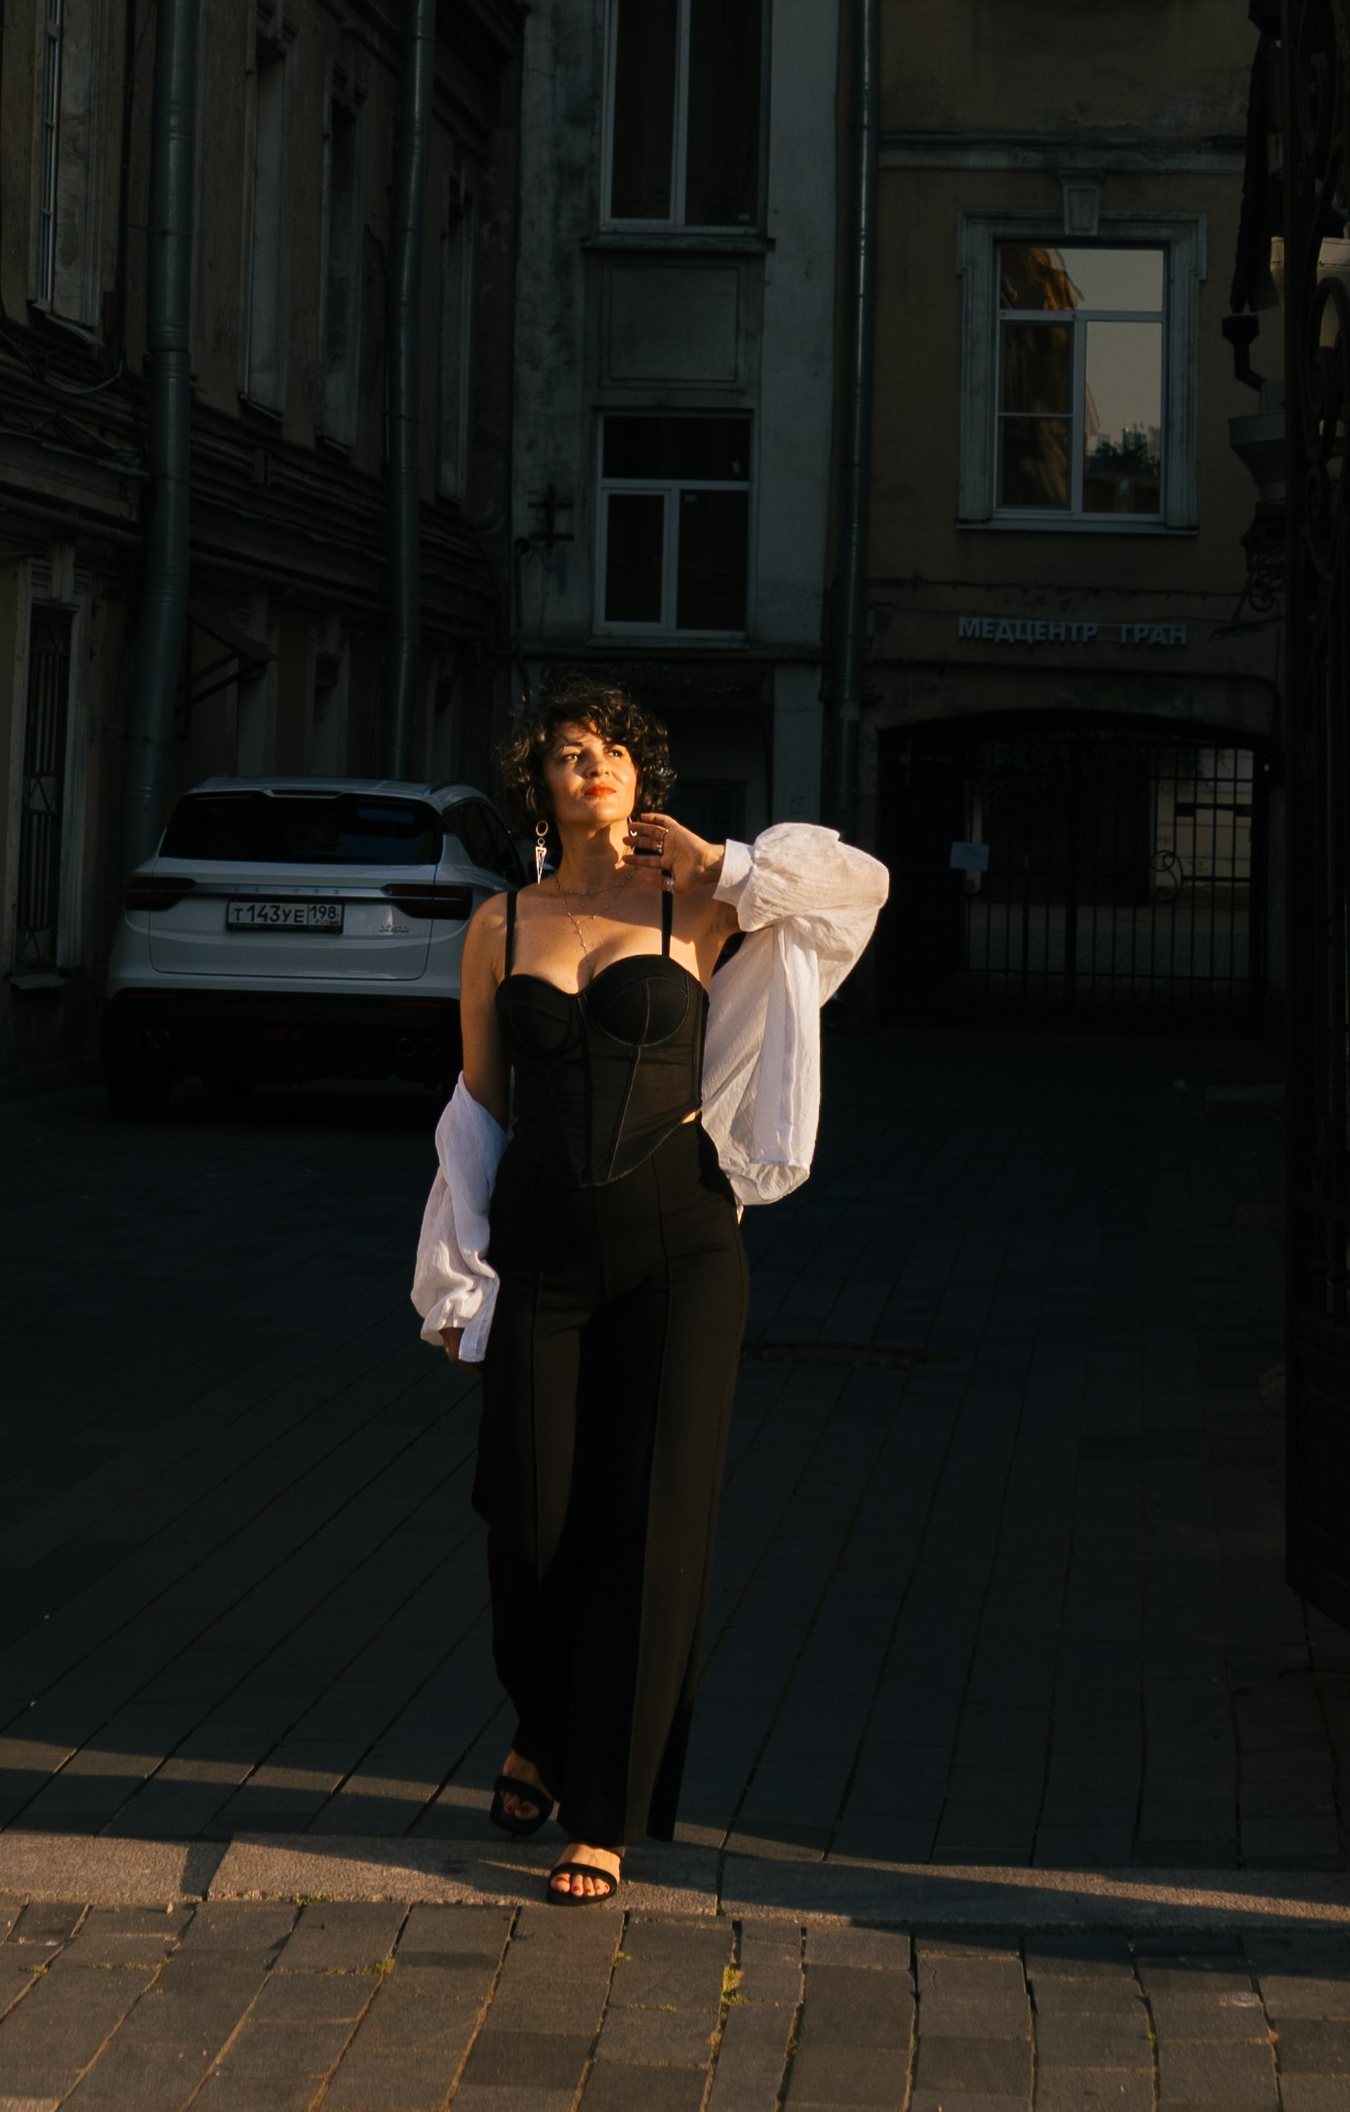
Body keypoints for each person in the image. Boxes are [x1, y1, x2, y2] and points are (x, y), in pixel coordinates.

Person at [411, 685, 888, 1906]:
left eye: (614, 750)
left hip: (682, 1248)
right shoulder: (498, 926)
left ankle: (601, 1812)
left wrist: (726, 858)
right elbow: (478, 1111)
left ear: (641, 776)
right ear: (540, 786)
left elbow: (859, 889)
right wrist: (458, 1282)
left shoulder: (703, 901)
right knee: (527, 1514)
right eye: (570, 754)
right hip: (543, 1257)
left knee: (650, 1527)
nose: (594, 767)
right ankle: (543, 1719)